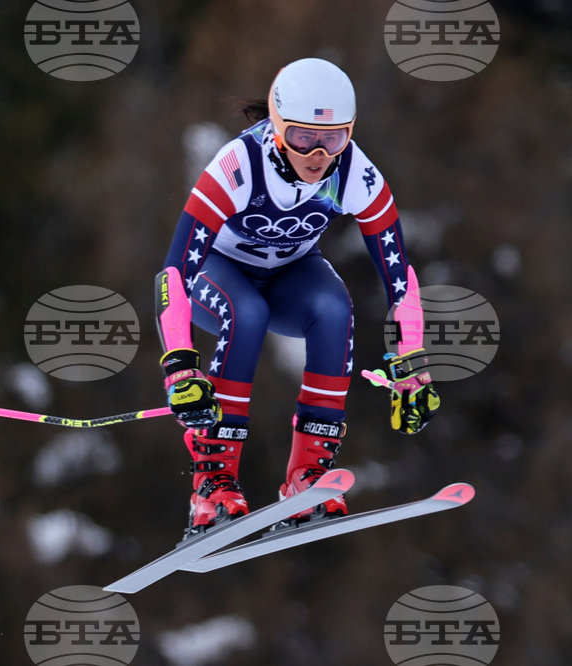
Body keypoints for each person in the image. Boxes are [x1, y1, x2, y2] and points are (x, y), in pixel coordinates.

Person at [156, 58, 440, 540]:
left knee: (334, 309)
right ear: (277, 126)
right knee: (246, 312)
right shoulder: (237, 167)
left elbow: (400, 276)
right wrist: (180, 364)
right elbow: (174, 274)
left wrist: (410, 360)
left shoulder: (352, 171)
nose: (318, 153)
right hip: (216, 274)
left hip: (288, 276)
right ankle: (213, 483)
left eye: (334, 138)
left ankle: (308, 475)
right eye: (303, 136)